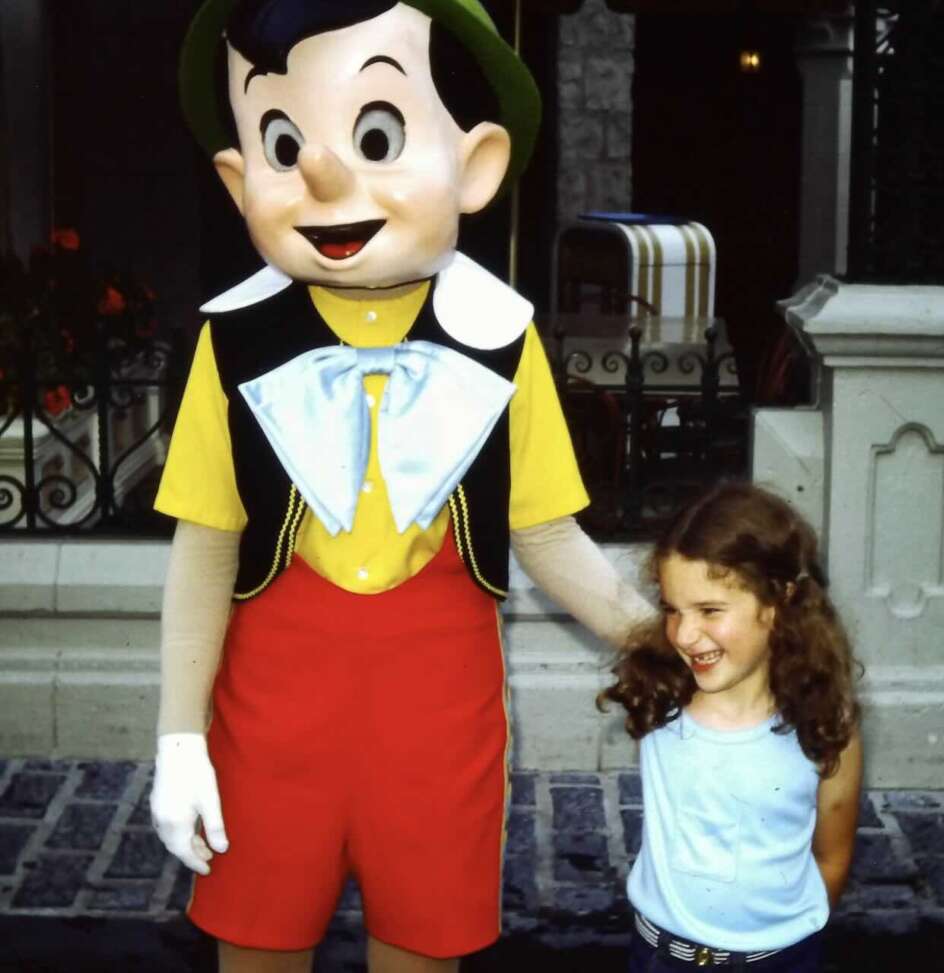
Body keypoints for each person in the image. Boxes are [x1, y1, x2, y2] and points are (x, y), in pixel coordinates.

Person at [150, 2, 649, 971]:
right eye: (283, 142)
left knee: (422, 946)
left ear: (477, 163)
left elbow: (548, 537)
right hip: (270, 701)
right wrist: (179, 738)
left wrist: (664, 636)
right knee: (256, 941)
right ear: (237, 175)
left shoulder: (502, 337)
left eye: (377, 134)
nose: (326, 174)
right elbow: (207, 545)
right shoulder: (233, 341)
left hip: (440, 701)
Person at [600, 482, 863, 972]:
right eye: (673, 610)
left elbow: (833, 854)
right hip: (660, 957)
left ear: (778, 601)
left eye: (710, 611)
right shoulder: (661, 694)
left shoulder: (823, 723)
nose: (684, 633)